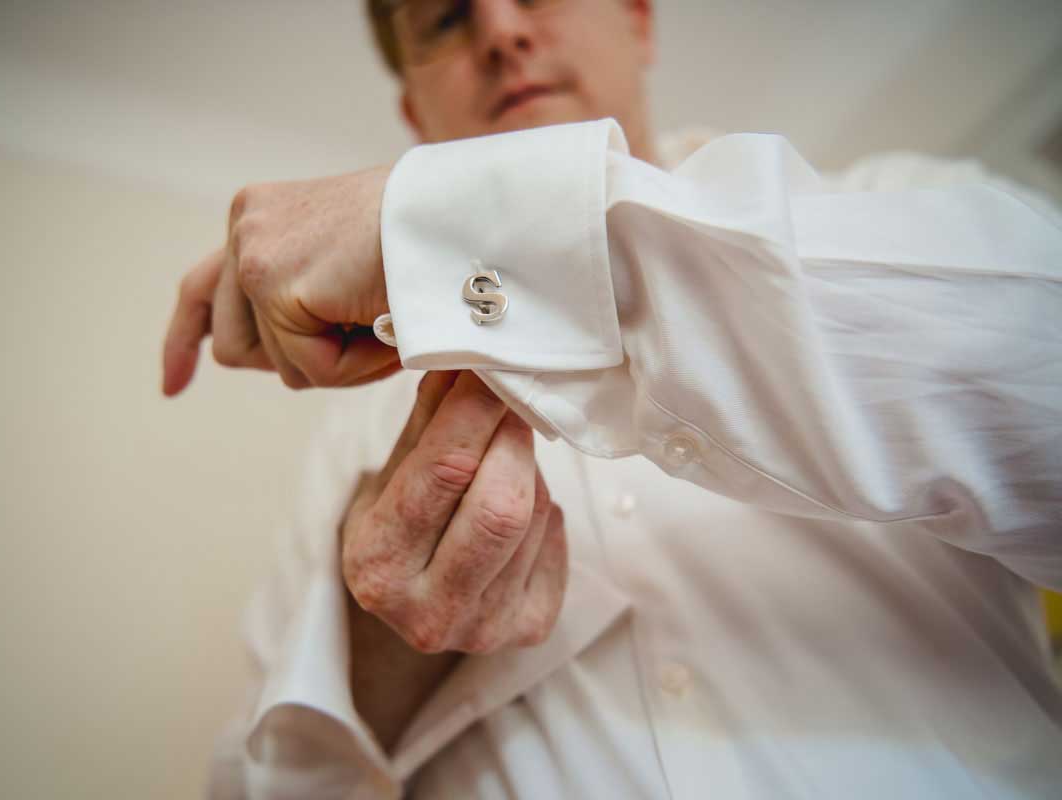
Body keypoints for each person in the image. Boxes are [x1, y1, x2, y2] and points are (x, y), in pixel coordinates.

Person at [160, 1, 1062, 797]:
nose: (502, 29)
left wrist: (452, 228)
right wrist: (382, 641)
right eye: (443, 17)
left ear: (639, 17)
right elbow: (264, 789)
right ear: (412, 108)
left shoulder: (887, 205)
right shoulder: (347, 438)